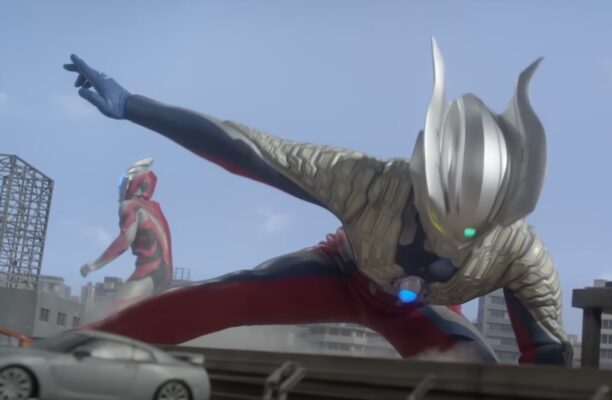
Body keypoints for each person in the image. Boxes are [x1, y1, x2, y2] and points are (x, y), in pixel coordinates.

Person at [64, 38, 571, 365]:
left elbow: (548, 357)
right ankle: (70, 351)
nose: (446, 244)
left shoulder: (521, 252)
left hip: (419, 311)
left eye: (468, 235)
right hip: (344, 272)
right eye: (434, 222)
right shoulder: (372, 183)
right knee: (227, 295)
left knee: (474, 374)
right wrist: (134, 106)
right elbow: (250, 149)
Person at [80, 158, 173, 311]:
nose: (121, 186)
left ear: (135, 182)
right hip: (165, 275)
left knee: (115, 313)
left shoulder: (130, 206)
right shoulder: (155, 209)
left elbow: (125, 240)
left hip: (149, 271)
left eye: (123, 181)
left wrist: (95, 264)